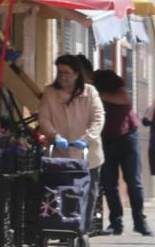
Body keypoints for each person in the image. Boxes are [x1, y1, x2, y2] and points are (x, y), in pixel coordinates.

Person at [38, 55, 105, 223]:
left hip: (87, 154)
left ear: (76, 74)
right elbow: (44, 119)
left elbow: (98, 117)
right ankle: (64, 230)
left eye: (67, 72)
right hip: (61, 154)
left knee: (88, 193)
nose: (62, 76)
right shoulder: (50, 92)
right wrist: (55, 135)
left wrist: (87, 137)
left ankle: (83, 231)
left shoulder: (90, 92)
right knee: (62, 192)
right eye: (59, 72)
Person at [94, 70, 152, 236]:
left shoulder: (108, 78)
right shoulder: (86, 87)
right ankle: (116, 223)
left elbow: (124, 98)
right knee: (109, 183)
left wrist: (97, 95)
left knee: (134, 181)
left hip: (127, 136)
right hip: (105, 138)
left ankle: (140, 221)